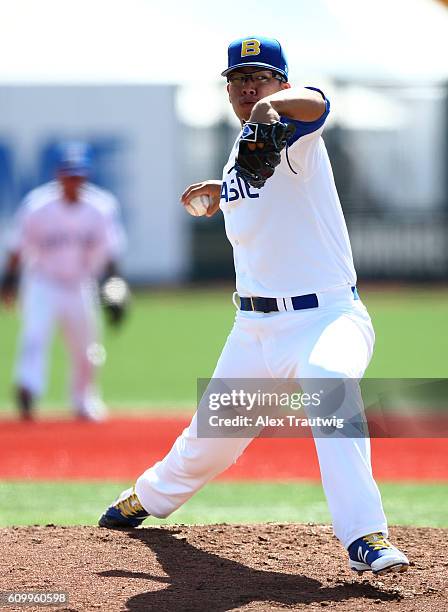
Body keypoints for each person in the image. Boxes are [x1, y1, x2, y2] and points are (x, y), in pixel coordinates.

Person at [99, 37, 409, 576]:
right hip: (254, 331)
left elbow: (319, 104)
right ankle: (147, 497)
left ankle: (365, 535)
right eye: (238, 78)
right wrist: (223, 189)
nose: (247, 86)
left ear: (281, 83)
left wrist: (273, 107)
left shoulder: (292, 131)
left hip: (327, 318)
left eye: (261, 76)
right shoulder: (244, 147)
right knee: (208, 443)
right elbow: (265, 188)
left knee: (328, 382)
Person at [0, 141, 126, 421]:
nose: (74, 180)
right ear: (59, 175)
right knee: (34, 337)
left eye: (79, 174)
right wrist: (8, 281)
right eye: (69, 174)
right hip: (42, 281)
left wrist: (115, 287)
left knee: (87, 346)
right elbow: (17, 247)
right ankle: (27, 392)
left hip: (81, 284)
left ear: (86, 175)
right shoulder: (38, 206)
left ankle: (84, 399)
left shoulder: (101, 207)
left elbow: (111, 253)